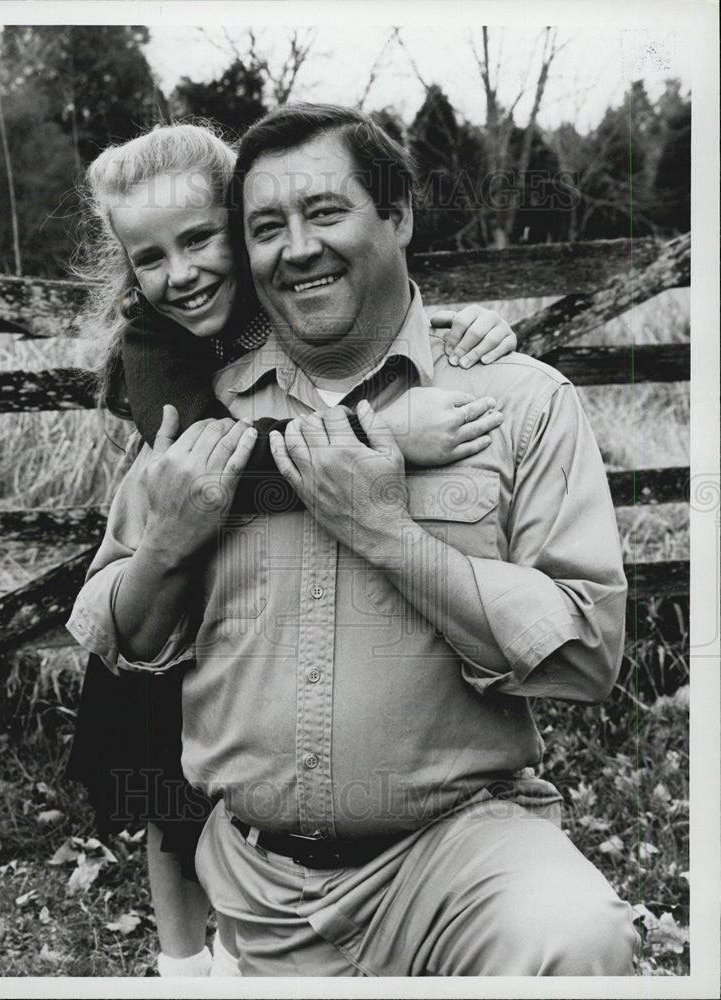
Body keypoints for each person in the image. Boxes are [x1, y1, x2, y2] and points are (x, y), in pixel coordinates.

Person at [65, 121, 520, 977]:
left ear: (242, 223)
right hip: (178, 573)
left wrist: (470, 330)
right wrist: (375, 432)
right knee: (168, 792)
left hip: (261, 594)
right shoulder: (156, 342)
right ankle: (182, 968)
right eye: (150, 258)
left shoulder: (286, 290)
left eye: (201, 238)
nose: (182, 273)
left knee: (236, 782)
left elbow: (386, 317)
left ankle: (252, 945)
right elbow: (215, 466)